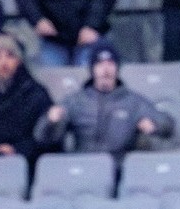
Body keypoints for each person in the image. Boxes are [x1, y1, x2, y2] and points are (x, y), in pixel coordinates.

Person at [35, 38, 172, 156]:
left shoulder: (133, 101)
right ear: (92, 69)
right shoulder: (76, 100)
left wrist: (156, 127)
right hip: (84, 165)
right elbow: (42, 137)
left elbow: (168, 125)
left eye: (110, 64)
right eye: (100, 64)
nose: (105, 70)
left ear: (117, 68)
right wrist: (51, 122)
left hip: (119, 168)